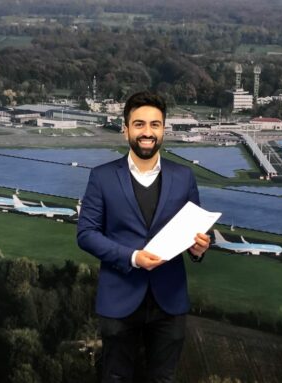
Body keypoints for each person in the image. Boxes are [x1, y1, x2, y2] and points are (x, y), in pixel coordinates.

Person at [77, 91, 210, 382]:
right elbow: (86, 234)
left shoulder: (184, 177)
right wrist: (133, 257)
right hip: (119, 298)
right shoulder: (102, 177)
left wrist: (199, 249)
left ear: (164, 129)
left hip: (170, 301)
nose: (147, 132)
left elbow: (196, 234)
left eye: (154, 125)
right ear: (126, 129)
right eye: (139, 124)